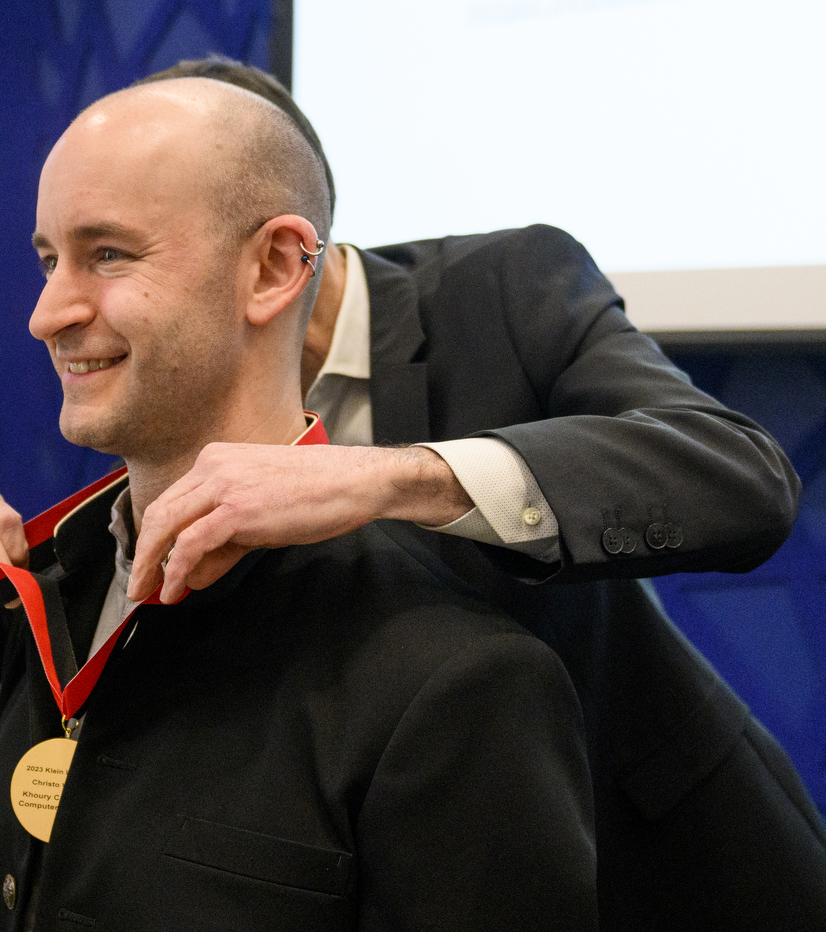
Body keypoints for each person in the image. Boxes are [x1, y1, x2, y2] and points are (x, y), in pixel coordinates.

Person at [121, 58, 826, 931]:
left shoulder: (505, 289)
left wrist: (393, 476)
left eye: (121, 248)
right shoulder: (165, 370)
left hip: (663, 859)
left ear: (273, 247)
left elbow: (741, 474)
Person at [0, 78, 598, 929]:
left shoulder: (457, 682)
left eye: (108, 253)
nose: (46, 314)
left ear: (269, 269)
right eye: (49, 259)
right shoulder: (52, 590)